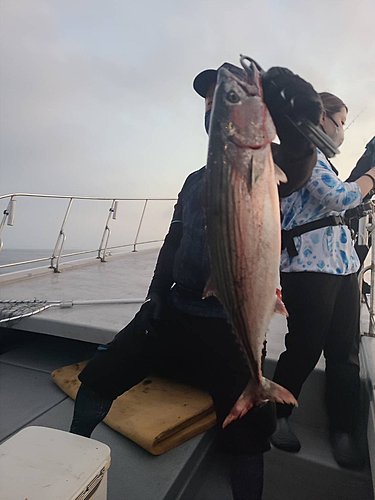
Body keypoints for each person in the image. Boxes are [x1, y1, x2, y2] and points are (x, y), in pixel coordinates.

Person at [69, 62, 322, 500]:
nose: (211, 104)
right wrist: (152, 298)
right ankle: (69, 462)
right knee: (98, 377)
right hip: (173, 309)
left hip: (229, 324)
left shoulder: (266, 165)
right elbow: (172, 242)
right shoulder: (194, 180)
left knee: (247, 434)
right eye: (208, 99)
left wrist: (300, 123)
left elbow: (298, 164)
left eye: (218, 97)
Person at [270, 93, 375, 469]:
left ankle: (343, 429)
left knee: (343, 353)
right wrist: (372, 174)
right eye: (341, 120)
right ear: (321, 118)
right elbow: (340, 196)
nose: (343, 129)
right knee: (304, 347)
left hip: (343, 268)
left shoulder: (324, 161)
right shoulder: (303, 158)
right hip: (308, 271)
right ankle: (278, 415)